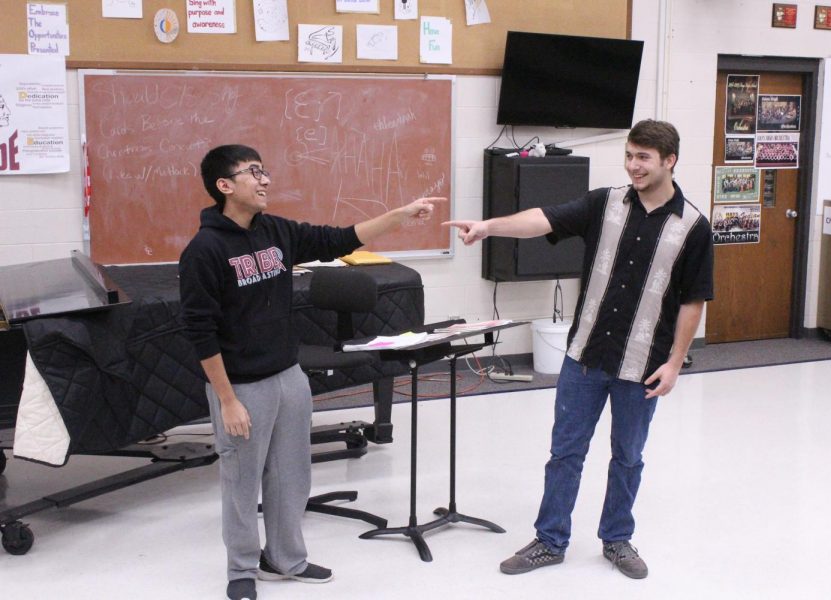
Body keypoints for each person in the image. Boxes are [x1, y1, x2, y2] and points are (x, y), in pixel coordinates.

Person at [444, 120, 713, 580]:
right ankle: (550, 540)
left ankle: (617, 539)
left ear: (669, 161)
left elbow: (693, 301)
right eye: (629, 155)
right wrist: (489, 226)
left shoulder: (692, 226)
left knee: (628, 456)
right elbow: (543, 218)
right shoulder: (603, 203)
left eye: (643, 158)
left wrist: (673, 363)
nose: (633, 165)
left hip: (643, 366)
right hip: (585, 358)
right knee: (565, 453)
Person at [179, 144, 443, 600]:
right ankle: (241, 568)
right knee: (242, 481)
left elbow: (339, 238)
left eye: (264, 170)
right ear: (225, 186)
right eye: (252, 173)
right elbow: (200, 331)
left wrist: (398, 215)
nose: (264, 180)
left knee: (291, 473)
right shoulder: (204, 250)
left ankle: (284, 559)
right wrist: (226, 400)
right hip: (241, 386)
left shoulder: (277, 230)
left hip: (288, 374)